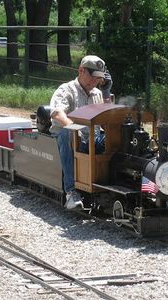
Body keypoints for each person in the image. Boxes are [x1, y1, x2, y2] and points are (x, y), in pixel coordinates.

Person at [49, 55, 112, 210]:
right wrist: (73, 127)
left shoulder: (97, 94)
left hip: (91, 138)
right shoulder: (66, 90)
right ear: (81, 70)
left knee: (112, 138)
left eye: (99, 79)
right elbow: (57, 113)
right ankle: (71, 192)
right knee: (68, 133)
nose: (95, 81)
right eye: (93, 77)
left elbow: (108, 120)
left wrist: (106, 94)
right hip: (68, 139)